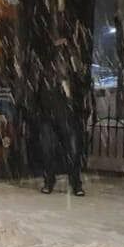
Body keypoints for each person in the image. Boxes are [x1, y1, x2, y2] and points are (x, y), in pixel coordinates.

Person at [34, 57, 87, 196]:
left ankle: (75, 183)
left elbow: (81, 96)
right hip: (50, 118)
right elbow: (39, 97)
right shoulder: (48, 81)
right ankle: (50, 181)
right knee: (48, 151)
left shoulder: (73, 81)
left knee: (73, 153)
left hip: (67, 118)